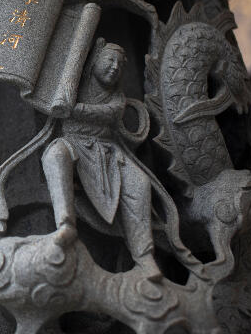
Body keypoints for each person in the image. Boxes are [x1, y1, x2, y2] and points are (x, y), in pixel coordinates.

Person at [41, 40, 162, 281]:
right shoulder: (73, 82)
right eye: (109, 60)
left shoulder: (116, 99)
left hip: (108, 150)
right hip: (73, 142)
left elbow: (108, 113)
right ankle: (66, 225)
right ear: (94, 60)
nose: (114, 67)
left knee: (139, 183)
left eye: (119, 64)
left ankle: (144, 257)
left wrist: (72, 109)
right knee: (54, 154)